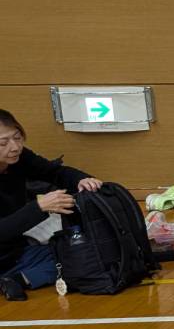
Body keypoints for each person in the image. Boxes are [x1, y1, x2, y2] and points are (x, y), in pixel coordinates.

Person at [0, 110, 102, 301]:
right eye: (3, 143)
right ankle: (21, 277)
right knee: (78, 258)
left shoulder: (17, 159)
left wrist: (82, 180)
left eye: (17, 137)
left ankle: (17, 279)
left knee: (86, 251)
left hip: (15, 251)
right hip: (9, 251)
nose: (14, 147)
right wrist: (38, 208)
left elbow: (54, 172)